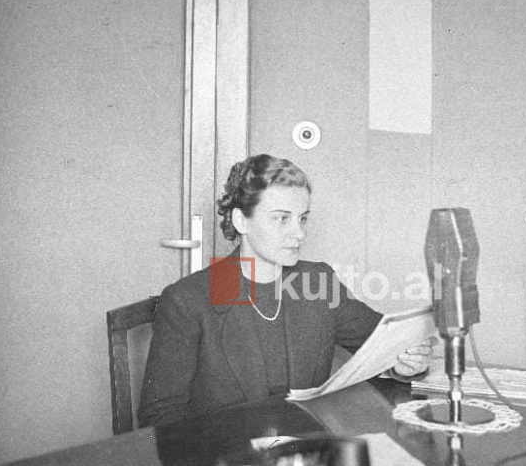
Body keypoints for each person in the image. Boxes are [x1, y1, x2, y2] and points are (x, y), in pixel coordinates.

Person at [138, 154, 433, 427]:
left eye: (302, 218)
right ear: (241, 221)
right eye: (282, 218)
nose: (299, 233)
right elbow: (160, 414)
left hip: (307, 447)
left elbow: (385, 341)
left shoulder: (316, 281)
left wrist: (404, 364)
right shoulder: (188, 299)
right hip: (229, 453)